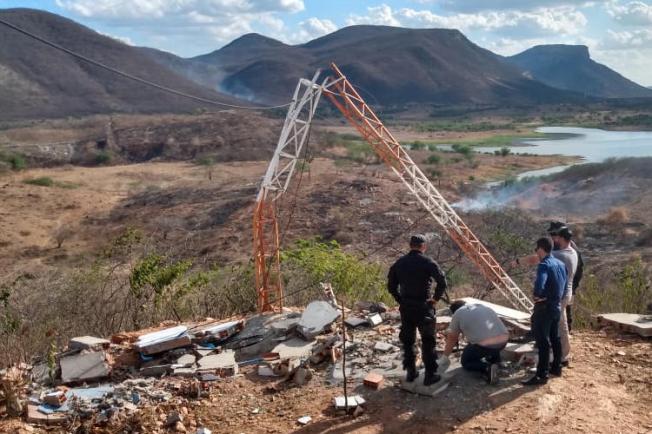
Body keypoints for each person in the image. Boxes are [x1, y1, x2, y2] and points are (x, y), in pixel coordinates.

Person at [388, 234, 448, 386]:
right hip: (424, 307)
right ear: (423, 246)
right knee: (428, 341)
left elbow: (391, 286)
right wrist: (435, 299)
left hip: (407, 308)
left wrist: (400, 299)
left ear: (410, 245)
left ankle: (410, 372)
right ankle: (430, 376)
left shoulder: (399, 263)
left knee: (408, 341)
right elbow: (442, 282)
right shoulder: (427, 262)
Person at [522, 237, 567, 386]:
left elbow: (540, 285)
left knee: (542, 342)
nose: (536, 252)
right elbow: (565, 286)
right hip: (556, 307)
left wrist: (538, 295)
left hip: (544, 308)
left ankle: (542, 375)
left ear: (541, 249)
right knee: (555, 338)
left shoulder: (544, 265)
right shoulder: (561, 264)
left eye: (536, 249)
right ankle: (556, 368)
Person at [440, 300, 509, 385]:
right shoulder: (482, 307)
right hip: (504, 341)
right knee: (489, 339)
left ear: (453, 311)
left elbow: (452, 338)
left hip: (486, 346)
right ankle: (496, 360)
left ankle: (488, 368)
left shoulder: (458, 313)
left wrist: (445, 357)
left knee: (466, 362)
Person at [547, 221, 584, 334]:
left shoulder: (570, 248)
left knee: (564, 310)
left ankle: (565, 334)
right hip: (563, 285)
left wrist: (572, 286)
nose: (552, 237)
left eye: (554, 234)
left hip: (568, 284)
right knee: (563, 311)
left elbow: (579, 268)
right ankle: (565, 334)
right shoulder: (558, 246)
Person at [549, 226, 578, 366]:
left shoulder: (559, 255)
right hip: (566, 293)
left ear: (561, 238)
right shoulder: (572, 251)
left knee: (558, 326)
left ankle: (560, 357)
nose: (555, 239)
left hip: (559, 295)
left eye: (557, 237)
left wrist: (518, 262)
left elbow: (539, 258)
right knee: (562, 324)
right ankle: (563, 354)